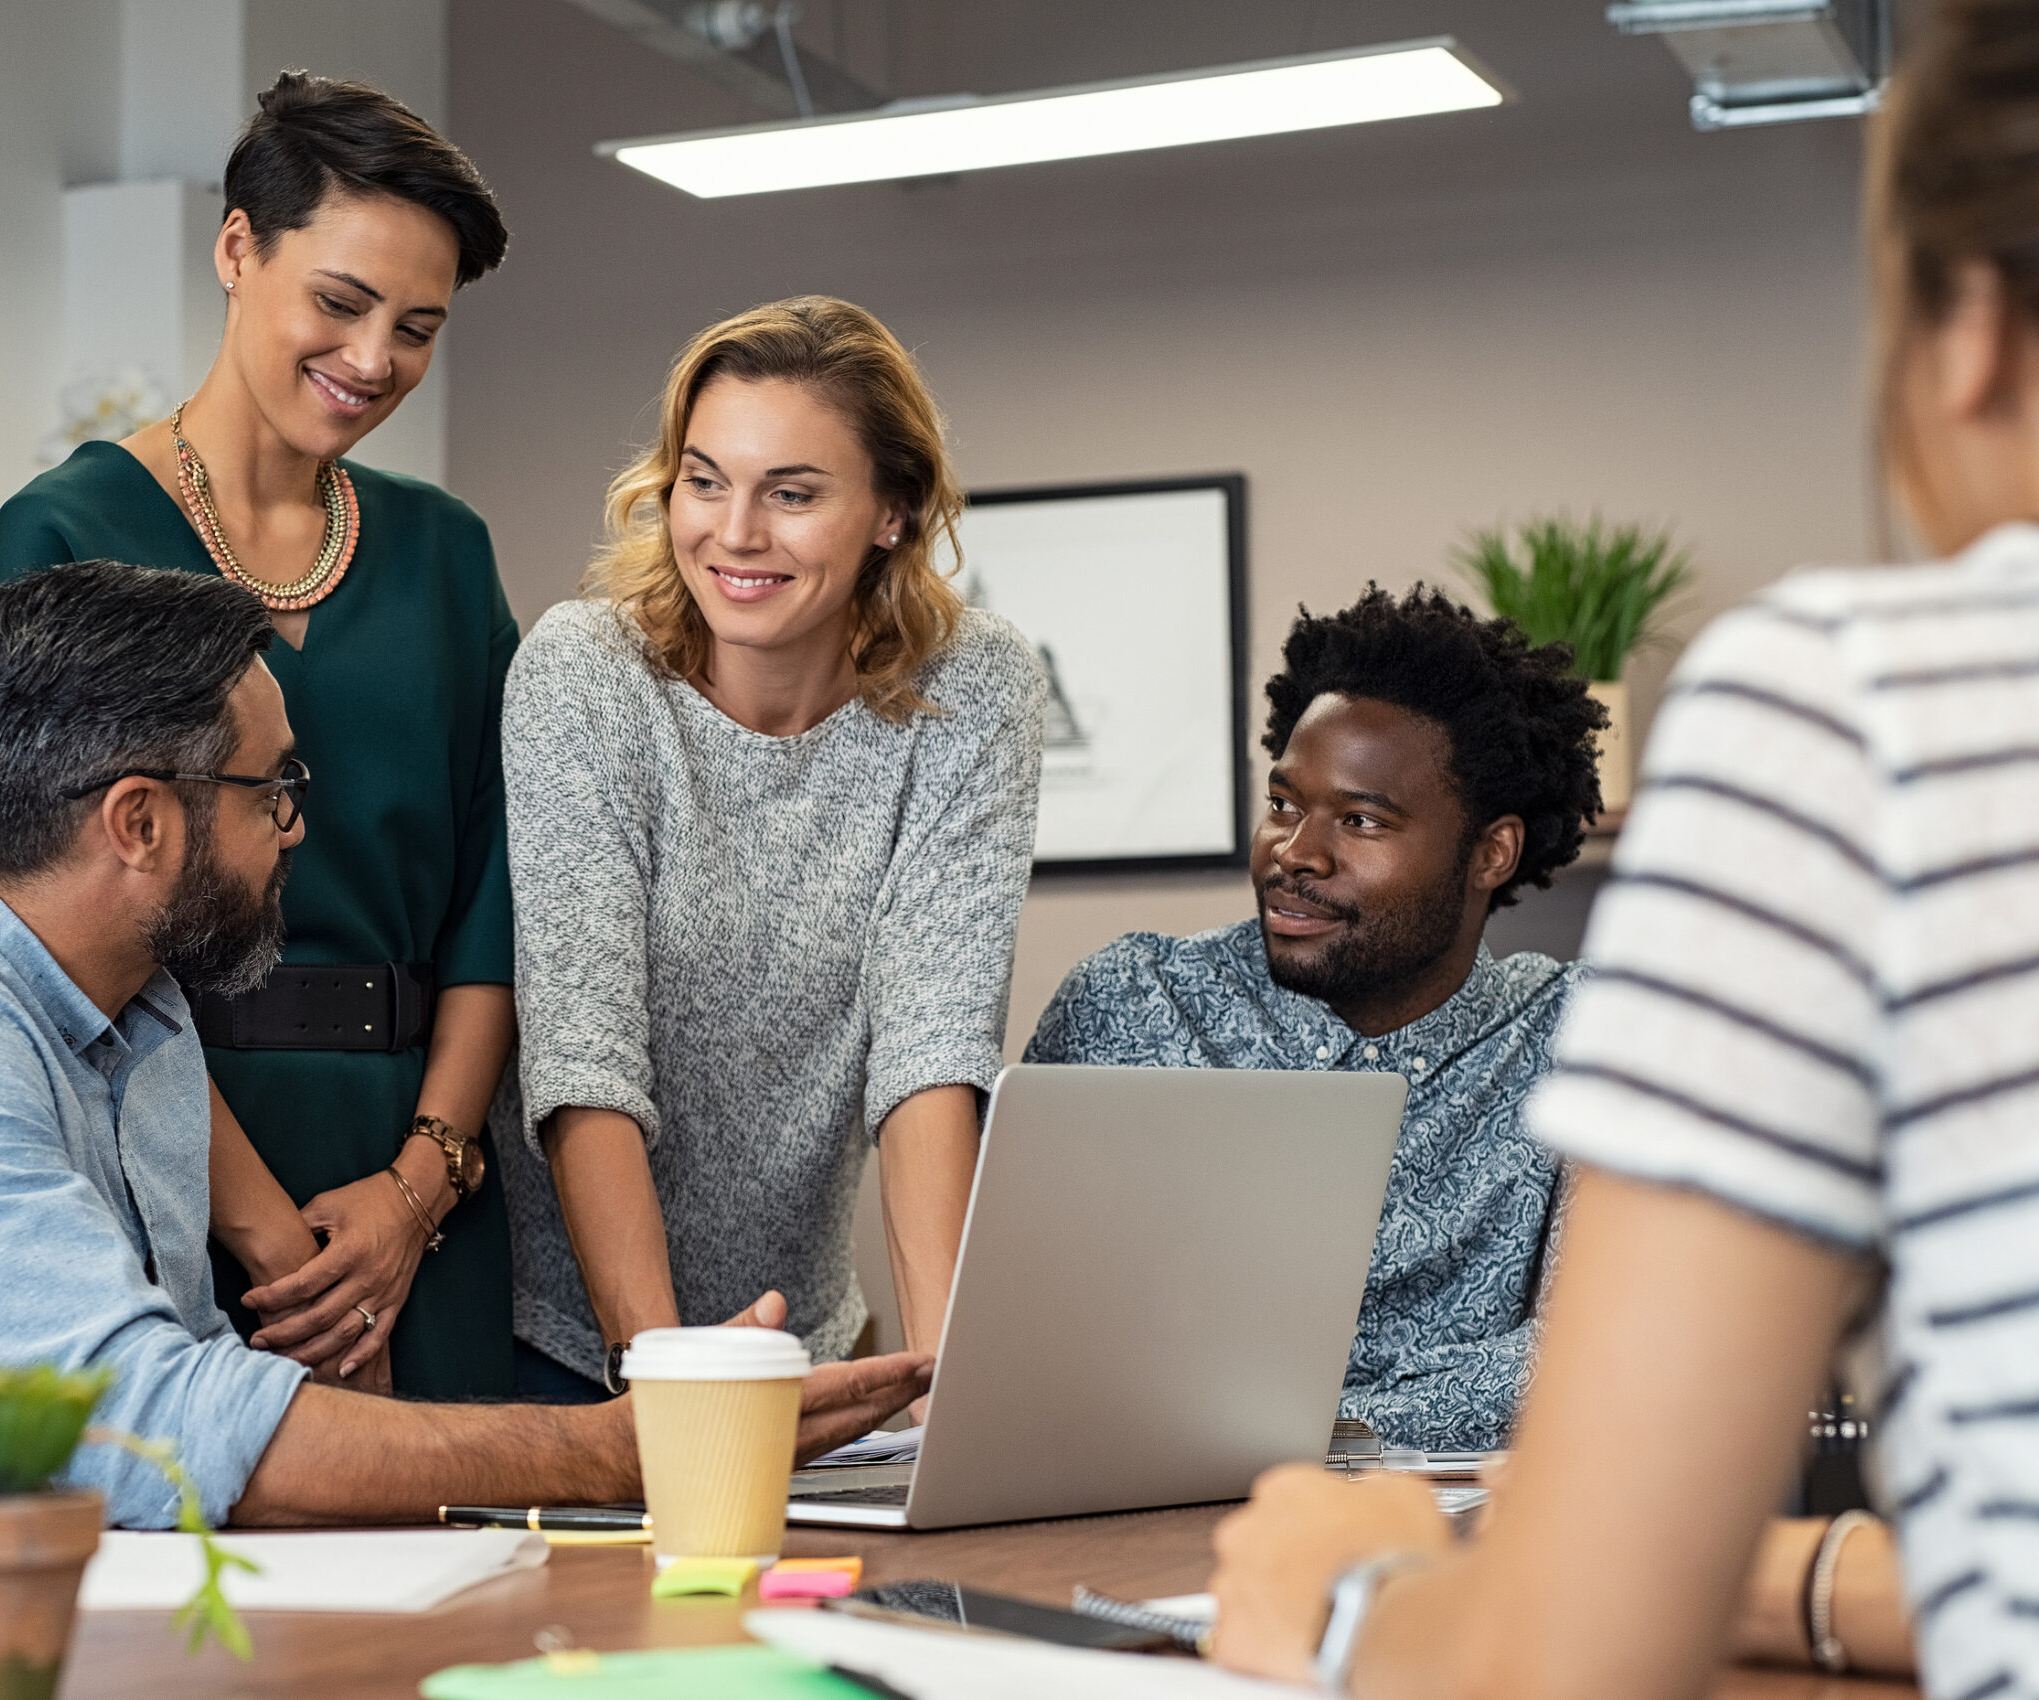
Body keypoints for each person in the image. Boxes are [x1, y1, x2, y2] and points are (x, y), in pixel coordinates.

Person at [1205, 2, 2039, 1692]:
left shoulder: (1863, 712)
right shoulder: (1153, 997)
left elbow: (1568, 1662)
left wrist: (1342, 1591)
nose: (1302, 849)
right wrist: (1798, 1580)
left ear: (1964, 328)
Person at [0, 562, 928, 1582]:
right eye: (272, 788)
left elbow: (197, 1420)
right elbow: (151, 1429)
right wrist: (620, 1450)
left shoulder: (142, 1010)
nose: (299, 827)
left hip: (93, 1611)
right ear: (139, 821)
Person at [0, 75, 519, 1398]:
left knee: (474, 1591)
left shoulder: (449, 556)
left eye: (419, 327)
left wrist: (417, 1191)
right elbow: (54, 922)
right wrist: (277, 1245)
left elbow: (501, 899)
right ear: (236, 249)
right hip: (166, 1162)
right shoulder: (61, 537)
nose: (375, 357)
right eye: (340, 302)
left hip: (417, 1189)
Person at [495, 297, 1047, 1404]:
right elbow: (582, 1054)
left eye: (791, 493)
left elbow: (931, 1049)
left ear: (892, 509)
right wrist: (663, 1378)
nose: (735, 532)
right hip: (563, 1342)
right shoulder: (586, 673)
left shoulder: (973, 686)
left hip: (810, 1336)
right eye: (704, 480)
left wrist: (943, 1394)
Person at [1025, 585, 1604, 1452]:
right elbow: (1025, 1335)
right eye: (1285, 805)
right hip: (1135, 1516)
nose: (1295, 855)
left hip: (1455, 1547)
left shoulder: (1579, 1036)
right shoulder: (1132, 1004)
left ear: (1492, 853)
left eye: (1362, 820)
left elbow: (1590, 1355)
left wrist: (1326, 1432)